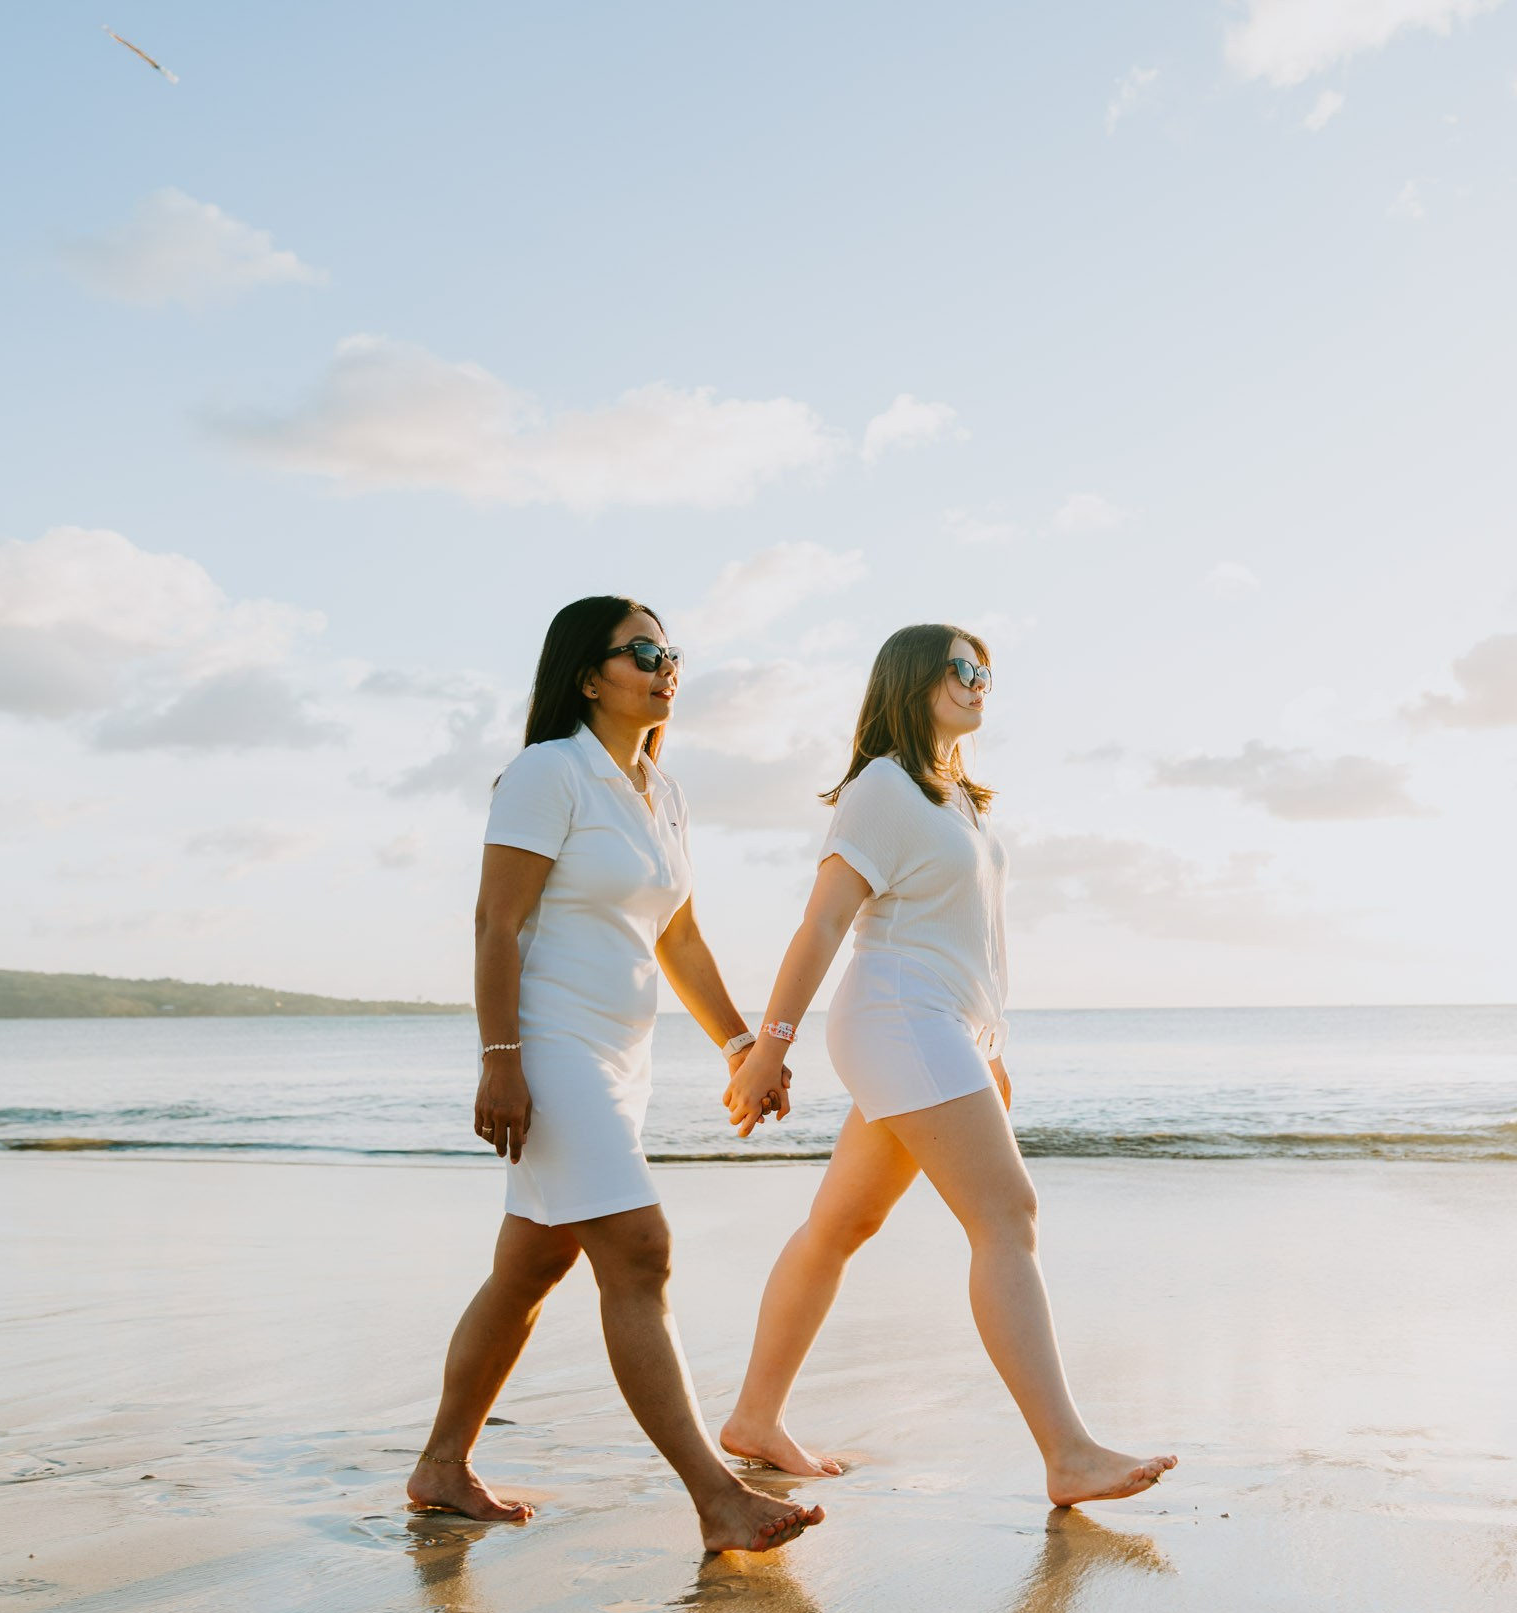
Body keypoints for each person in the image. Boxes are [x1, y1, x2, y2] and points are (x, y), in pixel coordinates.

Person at [716, 623, 1177, 1506]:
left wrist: (988, 1049)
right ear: (912, 678)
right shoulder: (883, 787)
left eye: (985, 672)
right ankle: (1068, 1453)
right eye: (960, 668)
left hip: (936, 1028)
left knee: (838, 1226)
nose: (977, 683)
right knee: (1007, 1212)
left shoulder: (957, 796)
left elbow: (969, 940)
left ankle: (753, 1418)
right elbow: (823, 922)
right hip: (900, 1017)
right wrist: (768, 1048)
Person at [406, 595, 822, 1554]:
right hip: (548, 1046)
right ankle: (717, 1497)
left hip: (622, 1057)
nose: (665, 666)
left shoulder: (660, 789)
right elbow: (496, 923)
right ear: (589, 675)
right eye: (641, 651)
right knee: (640, 1251)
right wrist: (500, 1061)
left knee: (530, 1265)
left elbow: (681, 934)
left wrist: (740, 1046)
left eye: (671, 652)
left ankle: (441, 1464)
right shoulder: (548, 772)